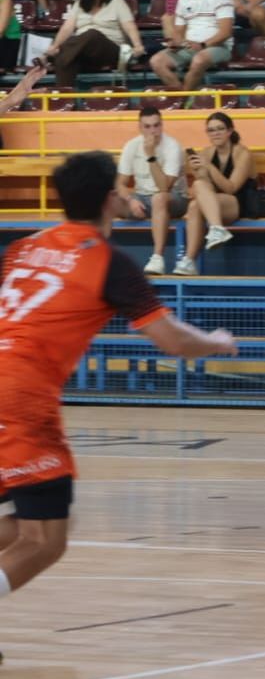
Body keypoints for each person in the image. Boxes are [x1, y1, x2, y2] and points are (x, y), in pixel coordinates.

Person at [0, 151, 236, 608]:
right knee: (47, 538)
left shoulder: (22, 247)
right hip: (21, 395)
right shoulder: (108, 262)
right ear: (112, 198)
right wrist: (215, 340)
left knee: (24, 520)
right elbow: (172, 341)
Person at [174, 112, 258, 276]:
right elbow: (206, 187)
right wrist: (197, 170)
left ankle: (210, 236)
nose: (216, 133)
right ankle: (190, 260)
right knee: (195, 202)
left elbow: (231, 188)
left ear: (230, 131)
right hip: (215, 204)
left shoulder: (242, 153)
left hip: (239, 203)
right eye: (211, 130)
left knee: (197, 201)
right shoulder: (206, 153)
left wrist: (209, 167)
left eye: (220, 129)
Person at [39, 0, 143, 101]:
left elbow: (129, 25)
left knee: (92, 34)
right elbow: (67, 28)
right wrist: (55, 46)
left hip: (110, 50)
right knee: (68, 60)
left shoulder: (117, 1)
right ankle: (64, 104)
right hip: (84, 51)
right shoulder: (80, 3)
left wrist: (138, 45)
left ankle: (50, 58)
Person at [117, 105, 190, 275]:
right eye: (147, 126)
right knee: (109, 199)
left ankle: (157, 258)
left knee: (159, 198)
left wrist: (151, 156)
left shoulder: (172, 146)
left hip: (175, 198)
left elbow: (164, 187)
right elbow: (120, 183)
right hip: (141, 198)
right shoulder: (131, 145)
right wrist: (131, 200)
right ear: (140, 128)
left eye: (157, 125)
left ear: (162, 125)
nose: (153, 131)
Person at [151, 0, 235, 94]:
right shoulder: (184, 0)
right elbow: (179, 31)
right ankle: (184, 97)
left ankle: (184, 100)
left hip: (218, 47)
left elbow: (226, 32)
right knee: (157, 61)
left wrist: (203, 45)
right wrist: (175, 42)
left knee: (198, 60)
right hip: (190, 46)